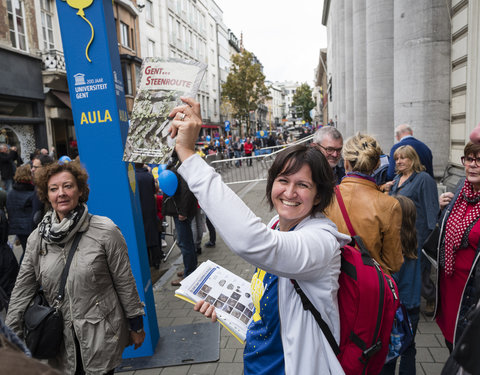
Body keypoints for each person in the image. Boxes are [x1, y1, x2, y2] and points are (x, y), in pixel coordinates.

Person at [168, 97, 351, 374]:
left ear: (318, 196)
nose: (289, 193)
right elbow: (270, 299)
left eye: (302, 185)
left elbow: (252, 242)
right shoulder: (277, 224)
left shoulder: (322, 242)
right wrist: (226, 307)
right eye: (283, 181)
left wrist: (187, 153)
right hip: (256, 364)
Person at [6, 161, 145, 374]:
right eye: (54, 189)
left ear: (80, 191)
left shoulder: (105, 231)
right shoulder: (38, 239)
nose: (61, 193)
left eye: (68, 186)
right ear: (46, 195)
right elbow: (22, 292)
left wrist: (136, 325)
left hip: (101, 334)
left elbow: (124, 281)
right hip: (59, 341)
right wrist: (11, 341)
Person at [325, 133, 404, 275]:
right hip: (369, 286)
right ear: (377, 164)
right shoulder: (389, 205)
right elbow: (394, 263)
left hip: (332, 281)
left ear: (346, 162)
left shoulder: (325, 197)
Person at [433, 142, 480, 353]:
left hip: (472, 292)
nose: (472, 165)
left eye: (479, 160)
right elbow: (446, 232)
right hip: (449, 285)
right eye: (469, 159)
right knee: (452, 344)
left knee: (468, 351)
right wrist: (443, 209)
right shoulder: (461, 187)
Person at [386, 145, 439, 317]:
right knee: (405, 279)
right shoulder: (397, 179)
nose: (399, 161)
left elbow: (431, 210)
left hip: (417, 238)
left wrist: (430, 242)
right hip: (398, 238)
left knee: (417, 279)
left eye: (403, 158)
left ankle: (429, 300)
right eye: (397, 159)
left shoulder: (423, 179)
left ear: (413, 159)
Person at [380, 195, 419, 375]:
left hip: (396, 307)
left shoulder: (392, 244)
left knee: (390, 351)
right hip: (413, 304)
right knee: (409, 348)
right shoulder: (415, 240)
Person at [162, 165, 199, 286]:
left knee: (185, 243)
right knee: (186, 242)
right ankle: (191, 269)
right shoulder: (177, 163)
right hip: (179, 210)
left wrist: (183, 211)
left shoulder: (180, 164)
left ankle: (189, 274)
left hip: (181, 212)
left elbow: (185, 190)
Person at [135, 163, 163, 269]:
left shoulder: (133, 177)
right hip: (151, 208)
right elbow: (154, 190)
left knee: (143, 236)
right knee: (153, 234)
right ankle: (156, 260)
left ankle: (148, 261)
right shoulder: (149, 176)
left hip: (139, 209)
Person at [6, 164, 35, 256]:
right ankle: (22, 270)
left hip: (17, 227)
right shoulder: (32, 192)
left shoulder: (11, 193)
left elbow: (9, 210)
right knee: (29, 254)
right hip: (29, 228)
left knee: (26, 251)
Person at [30, 154, 54, 228]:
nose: (32, 170)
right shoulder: (39, 185)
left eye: (36, 167)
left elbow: (36, 217)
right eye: (32, 167)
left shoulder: (43, 187)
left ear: (45, 168)